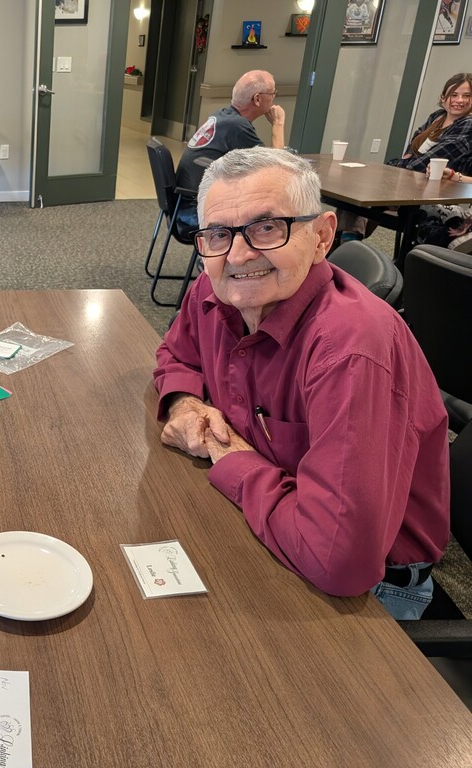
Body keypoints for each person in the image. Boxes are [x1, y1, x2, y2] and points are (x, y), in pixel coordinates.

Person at [153, 147, 449, 620]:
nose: (239, 255)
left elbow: (338, 562)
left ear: (322, 236)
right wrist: (186, 404)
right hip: (267, 519)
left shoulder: (350, 349)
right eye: (219, 234)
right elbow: (175, 354)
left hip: (369, 594)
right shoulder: (215, 288)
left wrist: (231, 457)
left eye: (267, 227)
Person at [339, 73, 472, 242]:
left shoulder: (467, 124)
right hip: (408, 181)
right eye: (454, 94)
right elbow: (414, 144)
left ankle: (348, 241)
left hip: (430, 192)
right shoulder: (438, 116)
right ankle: (348, 239)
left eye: (466, 96)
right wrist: (402, 164)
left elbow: (425, 163)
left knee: (363, 190)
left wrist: (397, 166)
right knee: (355, 190)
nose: (459, 100)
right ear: (443, 97)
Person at [174, 70, 286, 229]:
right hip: (195, 213)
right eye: (272, 93)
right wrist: (278, 123)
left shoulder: (223, 116)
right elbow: (277, 169)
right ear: (257, 99)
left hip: (183, 206)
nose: (274, 97)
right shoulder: (237, 126)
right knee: (276, 219)